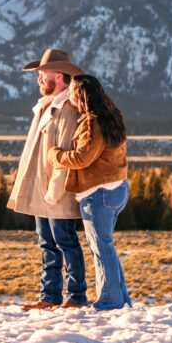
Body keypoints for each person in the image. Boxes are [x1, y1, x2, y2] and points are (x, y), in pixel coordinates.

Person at [7, 48, 88, 311]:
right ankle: (49, 296)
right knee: (47, 243)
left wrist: (55, 191)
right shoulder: (45, 107)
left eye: (43, 73)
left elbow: (64, 154)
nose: (39, 78)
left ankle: (76, 297)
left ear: (60, 75)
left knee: (65, 241)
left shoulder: (67, 109)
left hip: (56, 191)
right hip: (41, 189)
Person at [46, 73, 131, 311]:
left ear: (82, 96)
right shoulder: (112, 116)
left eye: (73, 91)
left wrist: (55, 155)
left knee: (100, 247)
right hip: (117, 188)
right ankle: (120, 299)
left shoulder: (92, 122)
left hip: (98, 192)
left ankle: (109, 301)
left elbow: (83, 157)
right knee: (106, 246)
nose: (70, 95)